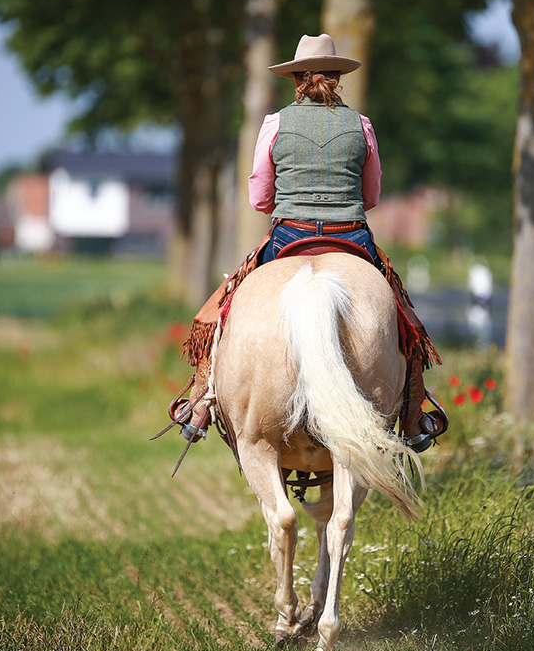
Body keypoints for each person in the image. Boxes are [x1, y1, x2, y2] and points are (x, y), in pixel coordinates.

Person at [169, 34, 447, 453]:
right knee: (406, 323)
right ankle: (412, 421)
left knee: (218, 311)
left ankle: (199, 405)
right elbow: (371, 196)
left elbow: (260, 197)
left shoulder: (275, 123)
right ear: (337, 78)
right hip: (351, 235)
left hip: (288, 234)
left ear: (295, 79)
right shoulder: (361, 124)